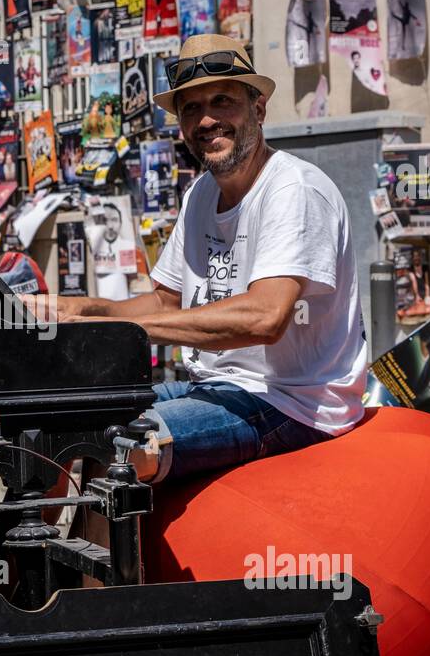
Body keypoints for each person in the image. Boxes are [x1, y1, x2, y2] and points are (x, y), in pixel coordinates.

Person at [26, 33, 367, 483]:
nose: (206, 119)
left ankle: (104, 553)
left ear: (258, 109)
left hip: (291, 403)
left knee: (119, 445)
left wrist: (111, 329)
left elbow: (265, 318)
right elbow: (166, 304)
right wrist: (80, 309)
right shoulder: (201, 193)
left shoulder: (294, 189)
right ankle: (40, 553)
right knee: (65, 418)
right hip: (217, 386)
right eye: (191, 108)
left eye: (222, 100)